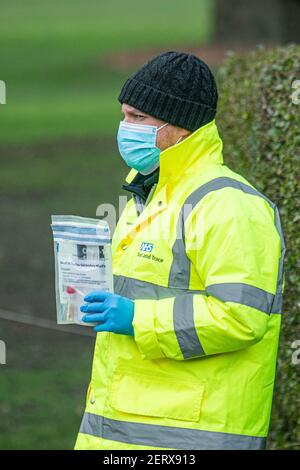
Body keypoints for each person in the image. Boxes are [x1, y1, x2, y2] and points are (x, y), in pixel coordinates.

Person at [75, 51, 285, 450]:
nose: (125, 128)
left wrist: (137, 317)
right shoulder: (149, 193)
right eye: (124, 115)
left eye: (138, 118)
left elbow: (242, 317)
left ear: (181, 128)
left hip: (190, 433)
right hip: (121, 427)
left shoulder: (229, 205)